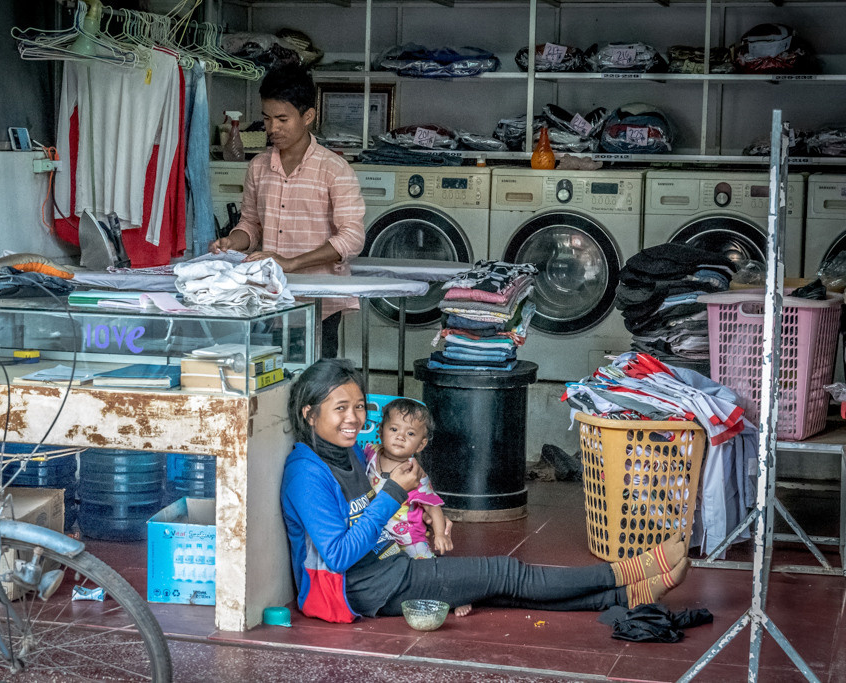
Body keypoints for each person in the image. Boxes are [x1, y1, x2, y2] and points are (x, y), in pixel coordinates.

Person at [280, 359, 690, 624]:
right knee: (504, 573)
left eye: (359, 406)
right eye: (340, 408)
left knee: (499, 590)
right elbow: (336, 556)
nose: (353, 418)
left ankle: (627, 595)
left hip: (387, 569)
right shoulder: (306, 473)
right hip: (361, 589)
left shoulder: (345, 452)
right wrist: (390, 494)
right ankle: (628, 571)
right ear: (309, 413)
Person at [208, 65, 365, 359]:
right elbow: (251, 225)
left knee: (317, 388)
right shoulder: (258, 166)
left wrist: (292, 263)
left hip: (320, 303)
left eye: (282, 119)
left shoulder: (334, 169)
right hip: (269, 299)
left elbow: (352, 238)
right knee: (269, 383)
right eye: (266, 119)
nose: (272, 129)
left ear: (308, 116)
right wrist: (233, 241)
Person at [364, 399, 451, 560]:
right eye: (394, 429)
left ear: (421, 444)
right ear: (380, 431)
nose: (400, 437)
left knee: (423, 571)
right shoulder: (370, 453)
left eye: (410, 433)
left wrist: (440, 534)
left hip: (409, 538)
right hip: (377, 535)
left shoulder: (415, 473)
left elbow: (432, 507)